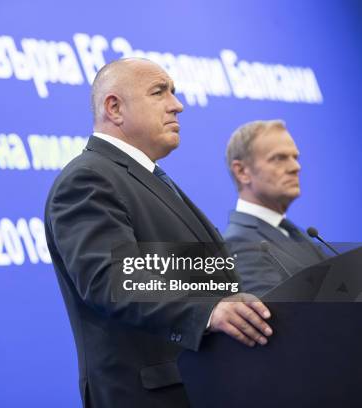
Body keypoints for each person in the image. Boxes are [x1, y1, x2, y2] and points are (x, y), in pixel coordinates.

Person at [44, 58, 273, 408]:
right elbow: (112, 279)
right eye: (159, 91)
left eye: (174, 92)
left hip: (204, 383)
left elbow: (190, 273)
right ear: (114, 107)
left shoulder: (144, 178)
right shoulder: (88, 179)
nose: (177, 104)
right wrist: (208, 311)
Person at [223, 120, 327, 297]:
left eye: (295, 157)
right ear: (242, 172)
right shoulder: (239, 244)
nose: (296, 167)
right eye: (279, 158)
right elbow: (278, 318)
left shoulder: (298, 234)